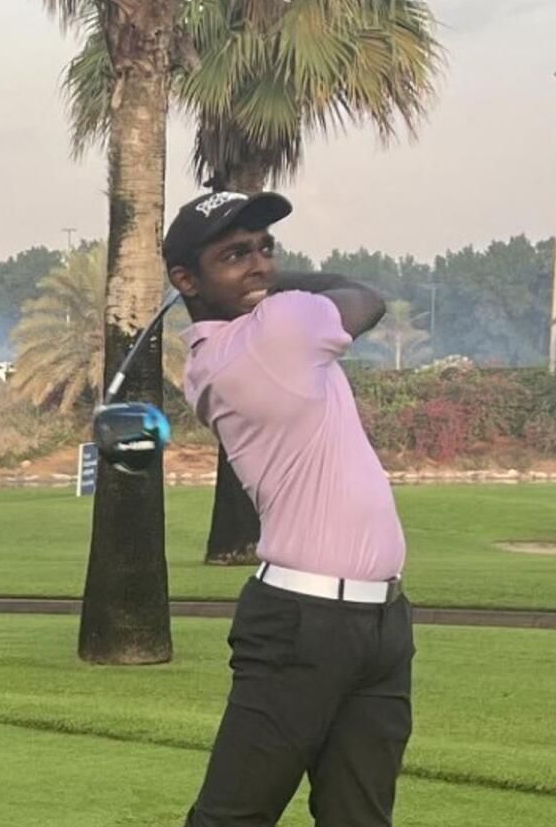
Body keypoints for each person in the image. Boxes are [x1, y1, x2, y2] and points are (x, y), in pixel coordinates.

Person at [164, 190, 414, 827]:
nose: (260, 264)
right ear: (186, 280)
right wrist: (280, 284)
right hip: (304, 624)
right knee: (231, 818)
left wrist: (256, 281)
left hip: (380, 620)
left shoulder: (233, 347)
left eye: (265, 249)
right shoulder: (274, 332)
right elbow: (366, 297)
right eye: (234, 255)